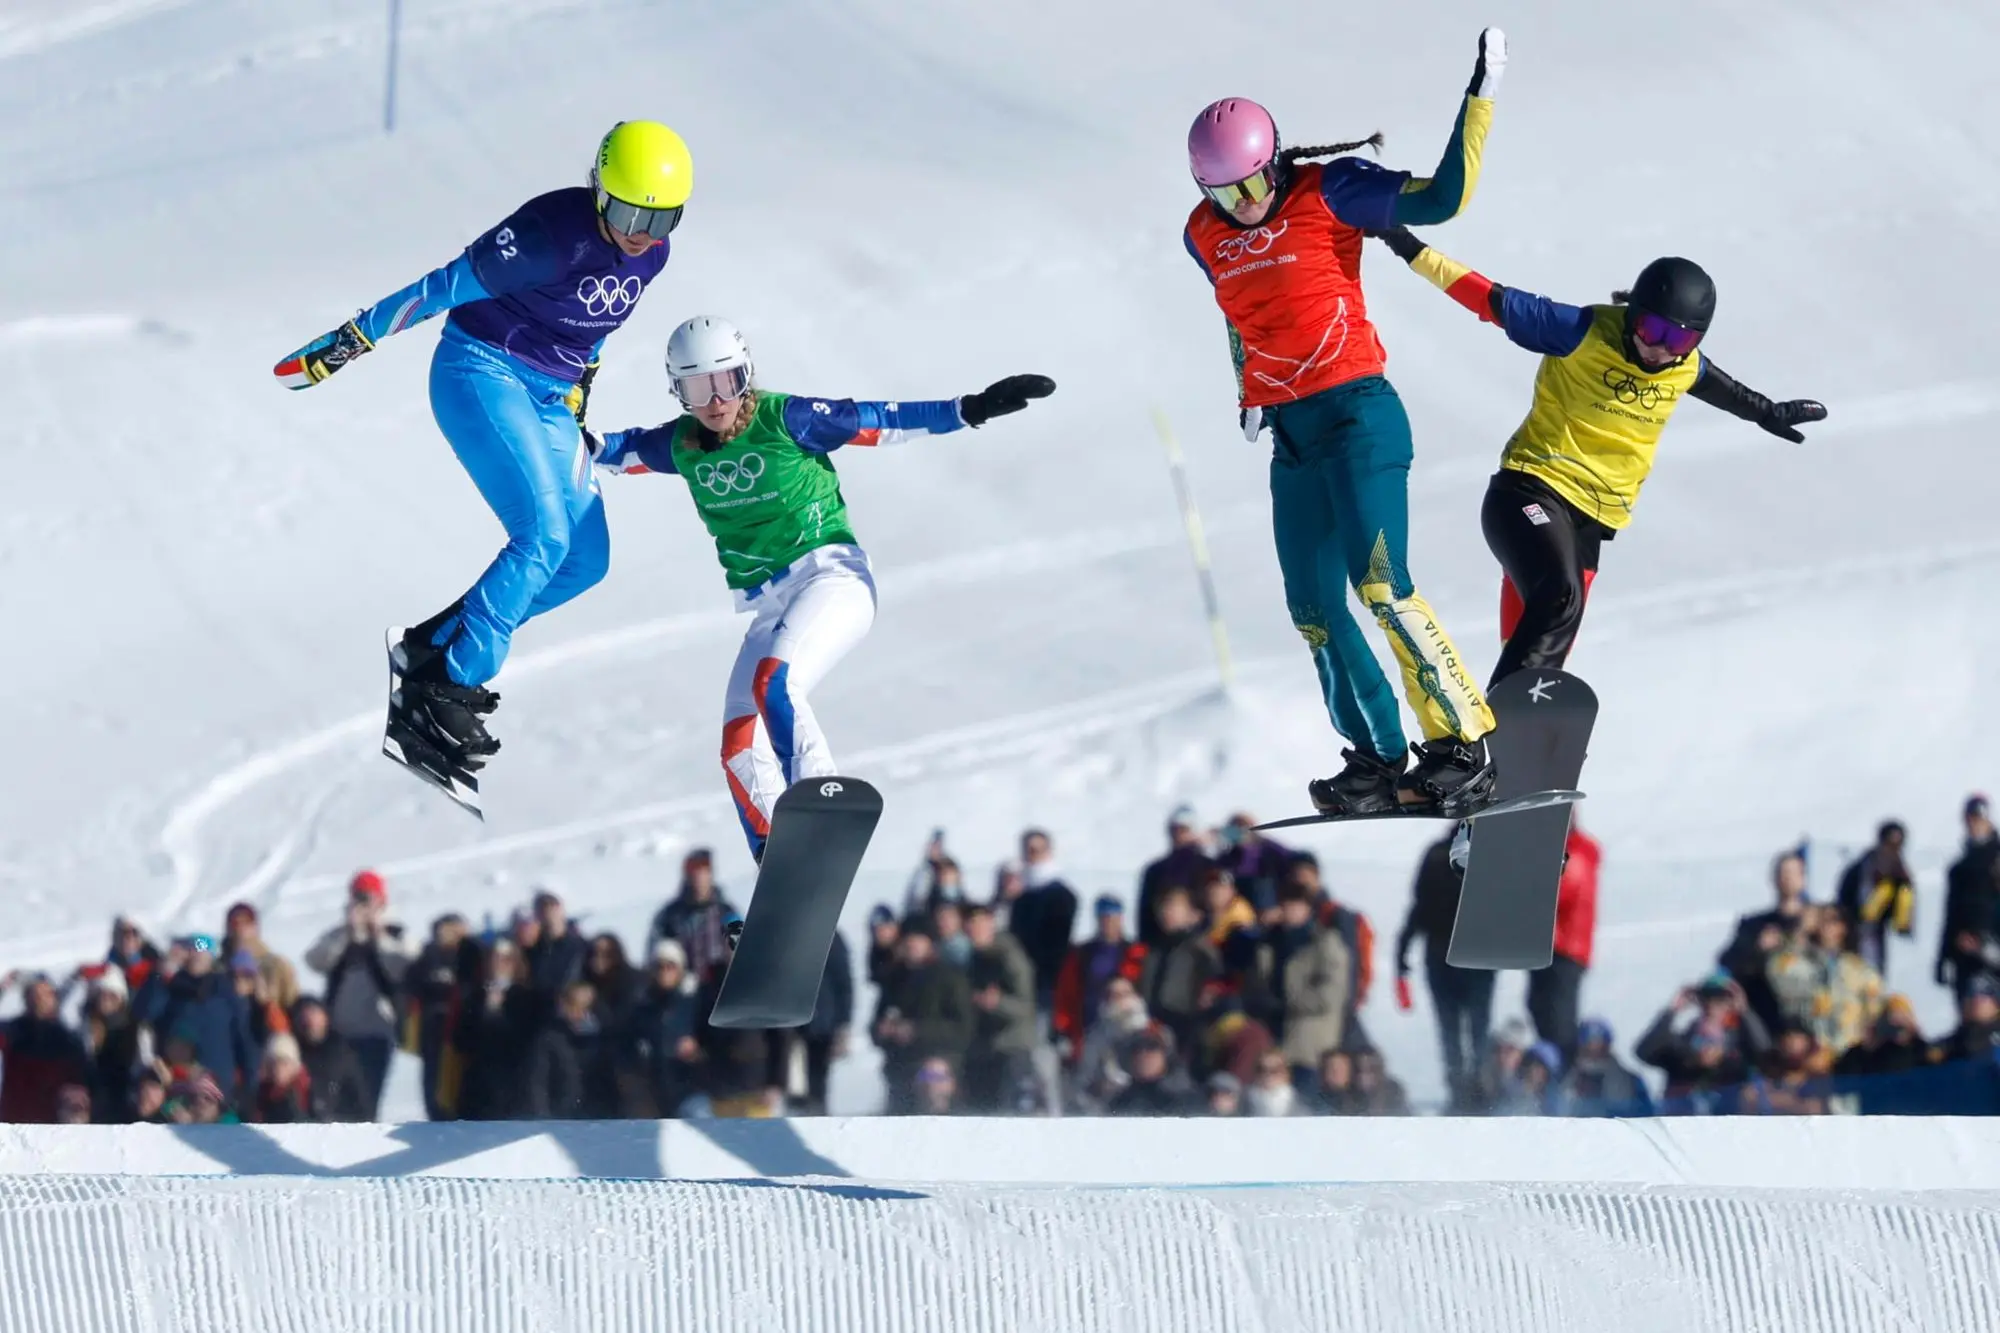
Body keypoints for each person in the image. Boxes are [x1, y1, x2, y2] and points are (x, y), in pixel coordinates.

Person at [273, 122, 694, 782]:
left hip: (549, 396)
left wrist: (580, 396)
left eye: (661, 217)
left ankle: (430, 650)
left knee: (586, 557)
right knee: (543, 535)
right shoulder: (549, 235)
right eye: (629, 210)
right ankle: (446, 686)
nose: (641, 230)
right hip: (481, 370)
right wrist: (350, 340)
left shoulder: (652, 254)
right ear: (598, 189)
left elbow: (597, 329)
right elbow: (441, 285)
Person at [1180, 30, 1509, 818]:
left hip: (1359, 415)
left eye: (1254, 183)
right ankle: (1376, 755)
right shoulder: (1203, 234)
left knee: (1382, 585)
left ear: (1276, 161)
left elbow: (1445, 200)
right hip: (1292, 439)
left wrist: (1481, 100)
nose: (1245, 205)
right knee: (1315, 610)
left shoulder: (1329, 190)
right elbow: (1241, 315)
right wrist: (1248, 392)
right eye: (1225, 194)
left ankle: (1461, 742)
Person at [592, 315, 1053, 857]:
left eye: (729, 381)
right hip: (770, 603)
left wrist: (968, 408)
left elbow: (879, 421)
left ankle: (819, 805)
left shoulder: (787, 418)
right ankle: (775, 856)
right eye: (699, 388)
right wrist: (562, 433)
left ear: (747, 376)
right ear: (679, 391)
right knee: (739, 741)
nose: (717, 400)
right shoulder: (682, 445)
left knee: (774, 684)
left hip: (831, 577)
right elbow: (615, 449)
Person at [1368, 226, 1826, 687]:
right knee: (1559, 599)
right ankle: (1497, 728)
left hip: (1592, 522)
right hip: (1532, 489)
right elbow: (1486, 297)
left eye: (1679, 341)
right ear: (1634, 315)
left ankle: (1508, 746)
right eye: (1653, 330)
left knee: (1545, 651)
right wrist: (1402, 241)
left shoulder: (1684, 366)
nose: (1661, 350)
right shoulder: (1578, 330)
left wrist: (1770, 413)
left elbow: (1730, 393)